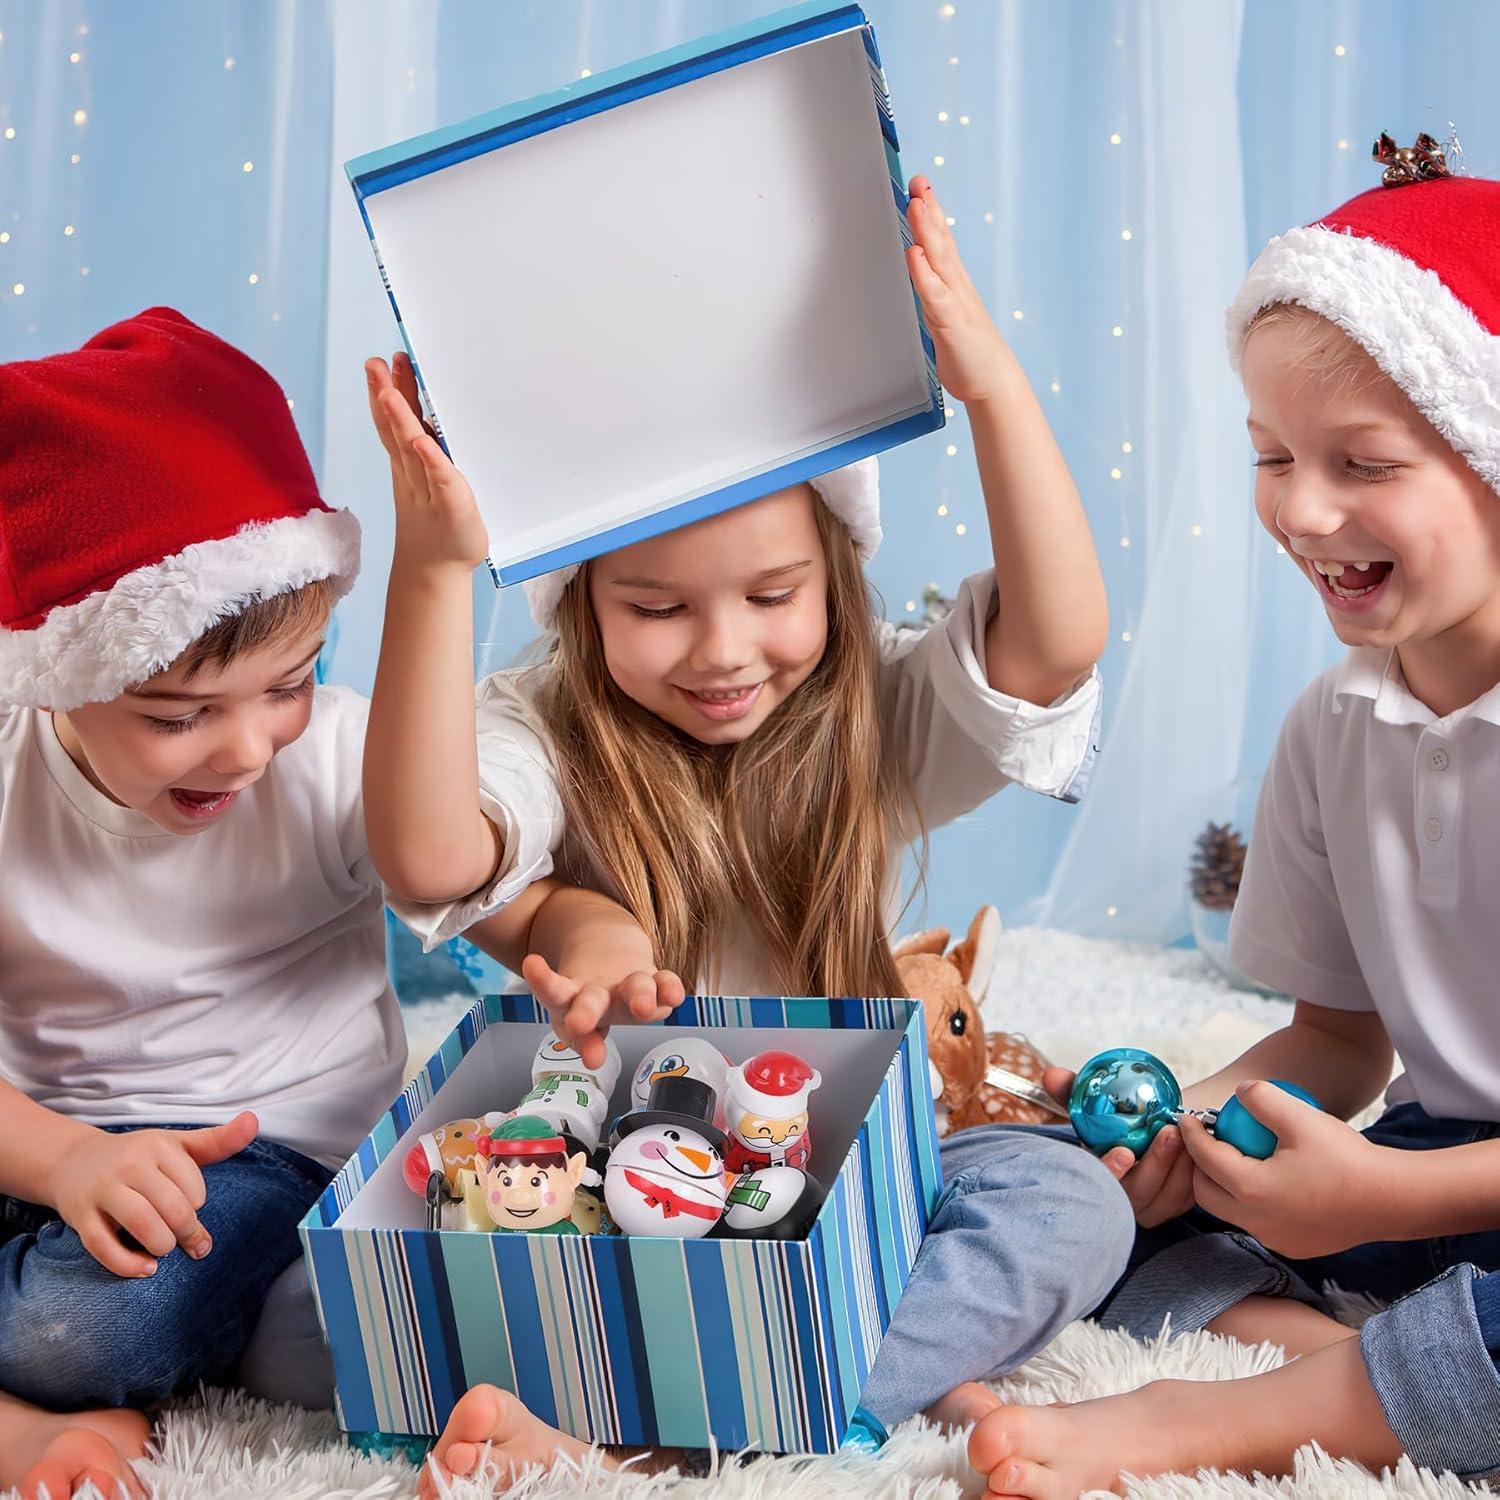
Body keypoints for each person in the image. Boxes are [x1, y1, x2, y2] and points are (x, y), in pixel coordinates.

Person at [362, 175, 1135, 1493]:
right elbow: (432, 857)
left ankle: (682, 1421)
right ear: (580, 606)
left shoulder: (878, 710)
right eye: (656, 607)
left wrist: (994, 392)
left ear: (834, 572)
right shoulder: (539, 729)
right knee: (305, 1303)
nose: (725, 654)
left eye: (773, 596)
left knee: (1070, 1205)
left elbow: (1055, 646)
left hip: (846, 1159)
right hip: (623, 1168)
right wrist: (435, 563)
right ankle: (751, 1386)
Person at [966, 160, 1500, 1495]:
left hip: (1431, 1191)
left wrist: (1387, 1203)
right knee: (1073, 1206)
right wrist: (1189, 1136)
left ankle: (1220, 1420)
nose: (1302, 512)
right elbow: (1336, 1042)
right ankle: (1327, 1362)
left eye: (1361, 464)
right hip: (1441, 1162)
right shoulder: (1335, 726)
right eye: (1272, 456)